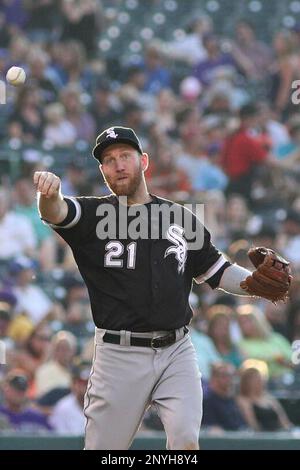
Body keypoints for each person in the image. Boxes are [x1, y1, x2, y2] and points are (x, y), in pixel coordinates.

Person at [34, 126, 290, 450]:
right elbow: (57, 212)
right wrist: (49, 195)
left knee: (185, 445)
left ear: (143, 161)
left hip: (176, 350)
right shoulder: (93, 215)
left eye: (125, 156)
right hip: (119, 355)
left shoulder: (178, 217)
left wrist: (253, 284)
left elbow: (217, 270)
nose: (118, 165)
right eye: (109, 160)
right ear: (102, 171)